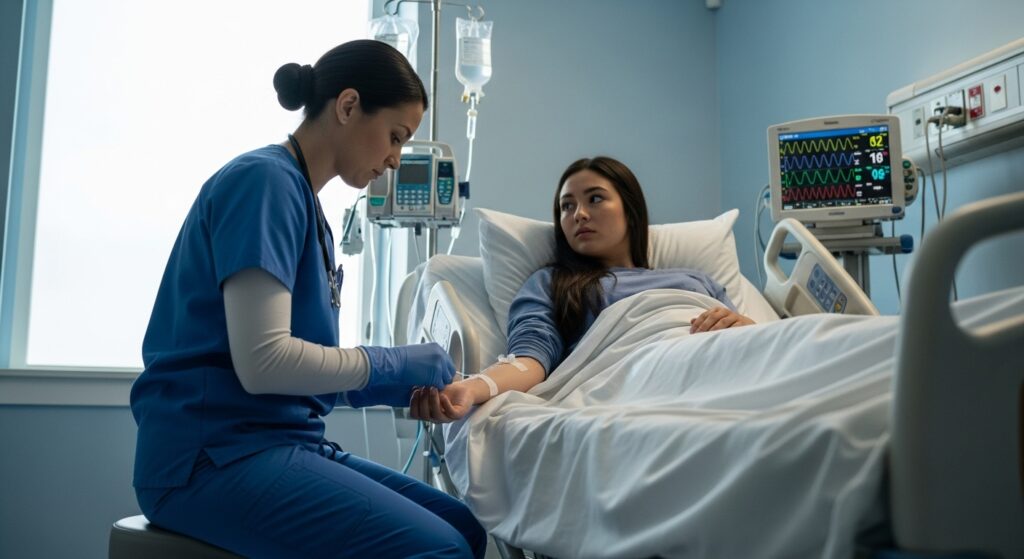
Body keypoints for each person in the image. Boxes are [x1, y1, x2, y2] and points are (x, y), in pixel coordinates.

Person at [130, 40, 486, 558]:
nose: (394, 159)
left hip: (274, 440)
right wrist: (388, 363)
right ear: (348, 106)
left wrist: (397, 385)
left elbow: (293, 375)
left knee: (463, 527)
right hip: (208, 457)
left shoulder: (305, 204)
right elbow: (264, 364)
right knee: (441, 550)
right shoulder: (263, 183)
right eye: (395, 136)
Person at [409, 156, 755, 423]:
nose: (580, 215)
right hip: (642, 375)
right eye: (567, 206)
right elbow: (529, 359)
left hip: (721, 366)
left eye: (595, 199)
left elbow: (753, 339)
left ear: (631, 210)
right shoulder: (552, 283)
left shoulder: (698, 280)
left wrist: (746, 328)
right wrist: (473, 388)